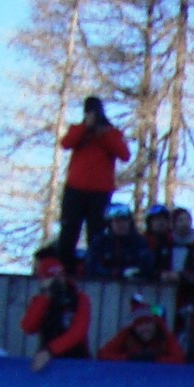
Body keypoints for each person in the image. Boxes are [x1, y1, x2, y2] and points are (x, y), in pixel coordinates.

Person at [57, 96, 131, 265]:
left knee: (97, 233)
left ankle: (94, 268)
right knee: (69, 231)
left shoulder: (111, 133)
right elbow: (66, 143)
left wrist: (103, 135)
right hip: (75, 189)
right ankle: (64, 269)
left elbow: (124, 154)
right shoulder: (78, 129)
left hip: (100, 192)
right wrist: (85, 127)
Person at [21, 257, 91, 370]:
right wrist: (45, 297)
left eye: (59, 276)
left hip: (76, 361)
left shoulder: (80, 299)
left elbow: (78, 332)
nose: (57, 280)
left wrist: (50, 350)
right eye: (51, 277)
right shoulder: (40, 300)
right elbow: (28, 327)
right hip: (48, 363)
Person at [97, 297, 188, 363]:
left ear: (155, 324)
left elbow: (179, 359)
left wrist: (155, 359)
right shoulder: (126, 334)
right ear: (134, 327)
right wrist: (129, 358)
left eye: (148, 323)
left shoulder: (165, 336)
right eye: (140, 325)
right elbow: (103, 354)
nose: (144, 328)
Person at [87, 204, 152, 279]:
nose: (122, 225)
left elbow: (147, 265)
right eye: (117, 221)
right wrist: (118, 273)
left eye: (125, 220)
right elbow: (92, 267)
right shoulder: (100, 242)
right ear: (110, 223)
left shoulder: (139, 242)